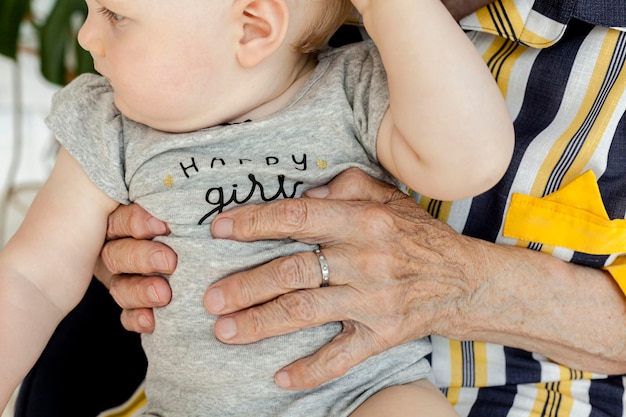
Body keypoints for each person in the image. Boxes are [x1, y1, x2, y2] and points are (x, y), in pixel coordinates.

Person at [79, 1, 626, 416]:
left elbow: (471, 157)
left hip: (512, 392)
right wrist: (116, 240)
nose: (84, 36)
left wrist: (467, 283)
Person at [0, 0, 515, 415]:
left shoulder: (353, 88)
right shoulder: (105, 121)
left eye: (114, 15)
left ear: (251, 28)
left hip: (363, 395)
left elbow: (470, 161)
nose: (87, 35)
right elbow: (32, 278)